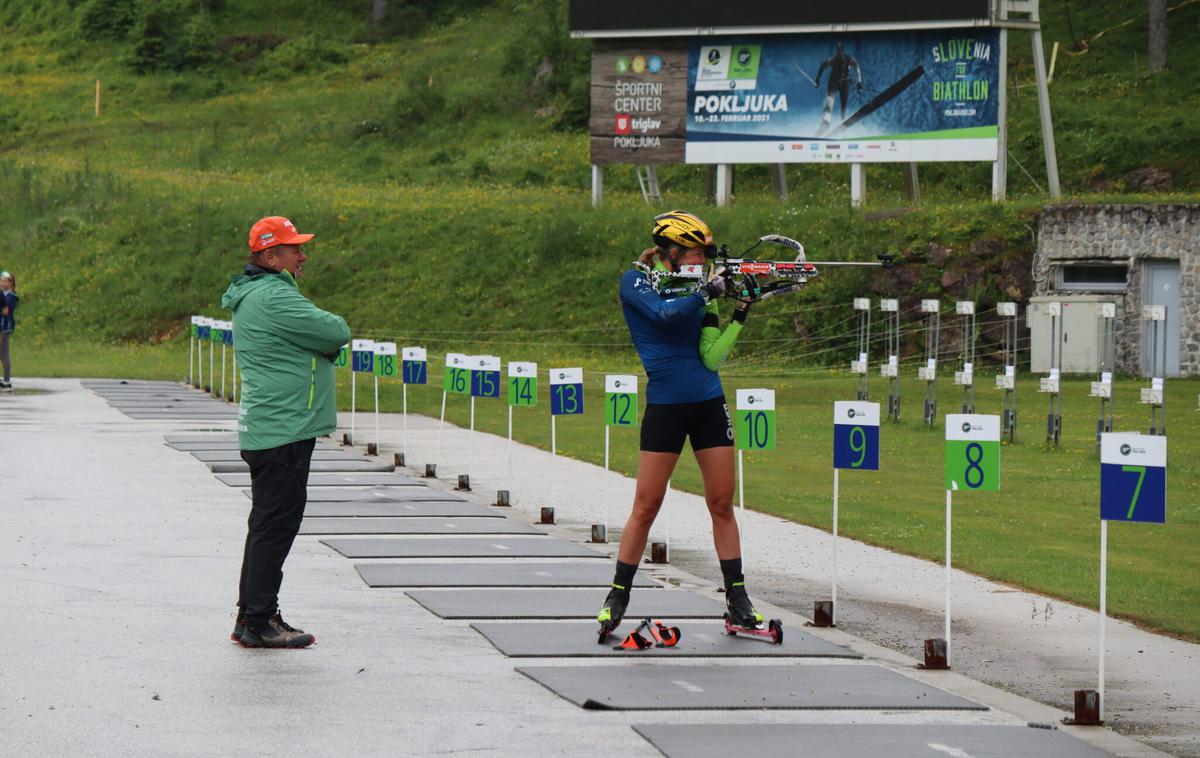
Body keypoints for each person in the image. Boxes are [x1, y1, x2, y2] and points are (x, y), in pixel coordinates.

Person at [597, 210, 762, 637]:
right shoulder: (635, 282)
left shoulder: (700, 289)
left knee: (722, 503)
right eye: (693, 255)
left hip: (708, 401)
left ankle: (738, 598)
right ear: (670, 254)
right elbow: (664, 314)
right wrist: (709, 290)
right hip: (666, 405)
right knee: (646, 506)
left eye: (704, 257)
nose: (699, 263)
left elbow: (711, 353)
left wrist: (740, 303)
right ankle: (618, 594)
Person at [221, 217, 351, 648]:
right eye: (294, 249)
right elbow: (335, 331)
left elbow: (317, 339)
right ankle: (258, 620)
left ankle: (252, 616)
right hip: (284, 428)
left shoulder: (261, 293)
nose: (303, 255)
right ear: (270, 256)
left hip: (274, 426)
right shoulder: (275, 295)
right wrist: (325, 345)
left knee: (267, 525)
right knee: (275, 526)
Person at [814, 42, 863, 136]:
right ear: (836, 51)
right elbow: (823, 65)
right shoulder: (833, 59)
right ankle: (826, 117)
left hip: (844, 83)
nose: (839, 53)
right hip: (834, 82)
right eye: (838, 51)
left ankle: (842, 120)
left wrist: (859, 82)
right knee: (829, 99)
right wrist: (818, 79)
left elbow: (857, 66)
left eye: (840, 51)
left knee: (843, 105)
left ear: (842, 51)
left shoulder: (847, 58)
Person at [0, 271, 18, 391]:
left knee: (4, 353)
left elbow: (6, 311)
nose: (3, 283)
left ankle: (7, 382)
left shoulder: (13, 297)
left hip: (5, 327)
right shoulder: (2, 295)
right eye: (1, 281)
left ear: (10, 283)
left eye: (5, 281)